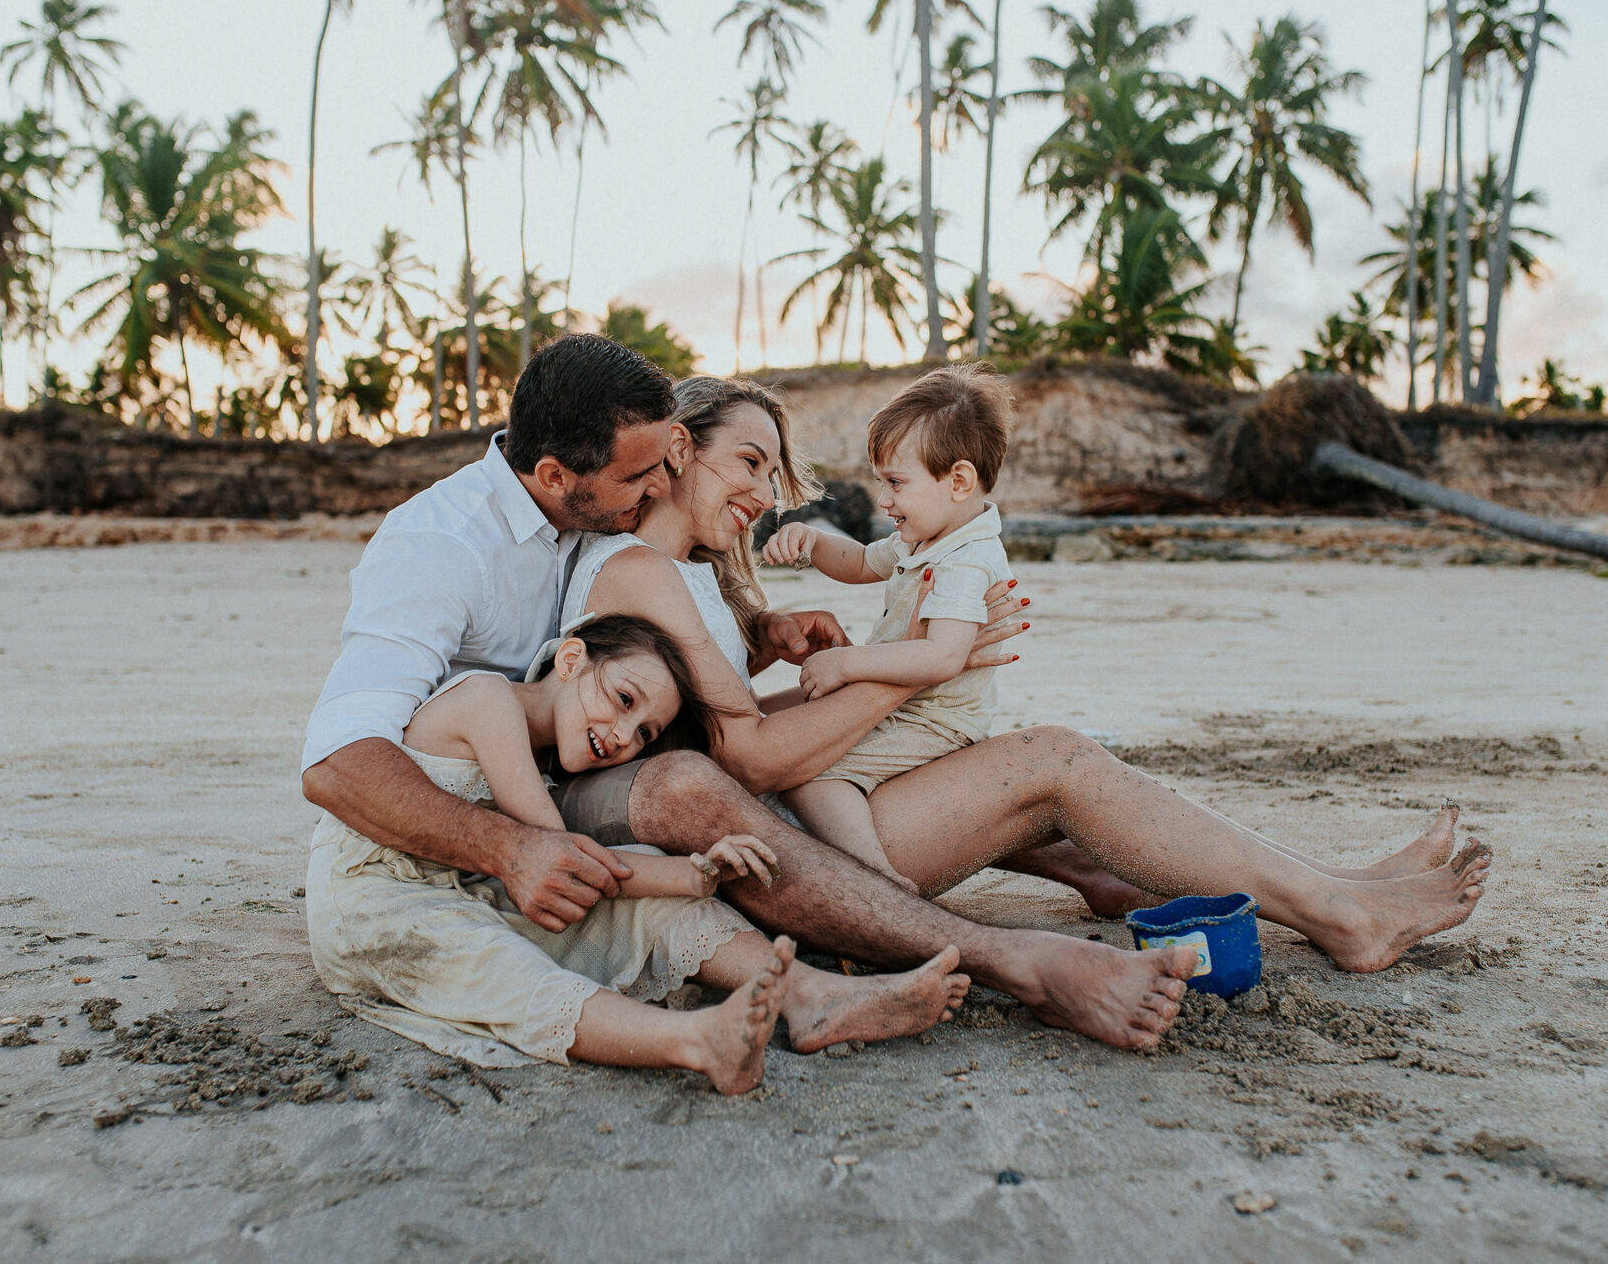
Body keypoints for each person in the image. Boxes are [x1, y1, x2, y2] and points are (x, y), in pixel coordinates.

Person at [302, 335, 1198, 1055]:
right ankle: (1015, 959)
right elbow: (338, 763)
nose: (661, 483)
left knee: (705, 863)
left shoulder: (600, 523)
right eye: (641, 476)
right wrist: (906, 667)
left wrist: (765, 641)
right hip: (489, 815)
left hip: (565, 786)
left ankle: (1079, 867)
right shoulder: (440, 546)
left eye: (667, 461)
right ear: (554, 477)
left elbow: (667, 677)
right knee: (693, 797)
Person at [562, 373, 1492, 1013]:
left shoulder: (686, 573)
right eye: (750, 463)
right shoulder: (641, 568)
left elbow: (720, 728)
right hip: (790, 849)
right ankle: (1339, 911)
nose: (768, 494)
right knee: (1056, 761)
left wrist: (785, 647)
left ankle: (1336, 886)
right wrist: (920, 664)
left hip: (787, 815)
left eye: (771, 471)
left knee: (1047, 780)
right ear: (679, 449)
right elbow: (744, 760)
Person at [305, 613, 970, 1093]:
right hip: (376, 895)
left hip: (472, 882)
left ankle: (814, 996)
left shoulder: (546, 753)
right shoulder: (487, 701)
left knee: (654, 900)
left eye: (645, 733)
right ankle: (696, 1041)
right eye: (622, 699)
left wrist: (696, 874)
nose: (623, 734)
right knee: (495, 962)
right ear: (571, 659)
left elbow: (578, 865)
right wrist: (684, 871)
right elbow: (566, 856)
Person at [761, 365, 1015, 890]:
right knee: (783, 724)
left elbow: (942, 657)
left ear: (959, 481)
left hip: (934, 720)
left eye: (896, 482)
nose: (883, 499)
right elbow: (859, 562)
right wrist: (812, 540)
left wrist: (845, 663)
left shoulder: (965, 560)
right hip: (905, 704)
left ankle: (876, 878)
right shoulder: (925, 538)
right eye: (881, 482)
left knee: (811, 770)